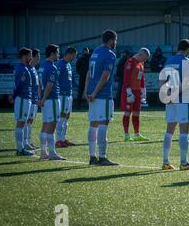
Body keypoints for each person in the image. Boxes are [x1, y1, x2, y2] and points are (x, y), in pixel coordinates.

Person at [161, 39, 189, 171]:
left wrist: (166, 94)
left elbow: (162, 79)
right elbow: (186, 83)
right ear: (187, 50)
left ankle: (165, 162)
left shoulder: (169, 60)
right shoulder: (187, 61)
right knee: (184, 131)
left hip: (170, 100)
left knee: (169, 131)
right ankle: (183, 163)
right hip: (182, 99)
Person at [85, 30, 118, 166]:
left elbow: (88, 73)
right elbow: (105, 76)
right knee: (104, 123)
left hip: (92, 93)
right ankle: (102, 157)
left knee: (93, 124)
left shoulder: (95, 52)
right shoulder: (109, 54)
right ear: (111, 40)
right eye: (115, 40)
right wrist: (95, 92)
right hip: (102, 94)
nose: (116, 43)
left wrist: (88, 92)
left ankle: (92, 157)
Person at [37, 44, 66, 161]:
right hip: (52, 99)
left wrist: (41, 98)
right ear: (53, 53)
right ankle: (52, 153)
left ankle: (44, 152)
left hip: (44, 99)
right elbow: (49, 86)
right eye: (57, 52)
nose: (58, 55)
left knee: (45, 125)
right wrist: (43, 99)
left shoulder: (42, 66)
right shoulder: (52, 67)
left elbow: (39, 84)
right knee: (52, 126)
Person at [121, 48, 151, 142]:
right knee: (127, 112)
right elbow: (126, 78)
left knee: (137, 113)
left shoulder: (141, 64)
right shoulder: (130, 62)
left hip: (138, 92)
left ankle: (137, 134)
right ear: (141, 54)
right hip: (129, 91)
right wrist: (129, 93)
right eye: (144, 58)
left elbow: (142, 78)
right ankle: (126, 135)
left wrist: (143, 92)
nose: (144, 60)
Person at [11, 48, 34, 156]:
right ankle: (20, 150)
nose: (31, 58)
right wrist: (14, 96)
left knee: (23, 123)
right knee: (20, 123)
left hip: (26, 99)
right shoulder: (21, 68)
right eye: (30, 55)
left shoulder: (25, 67)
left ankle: (22, 148)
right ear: (24, 56)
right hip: (22, 99)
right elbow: (17, 86)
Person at [56, 47, 78, 148]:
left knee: (67, 116)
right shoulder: (60, 64)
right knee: (62, 116)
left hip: (68, 94)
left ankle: (63, 139)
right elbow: (56, 80)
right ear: (70, 54)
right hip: (62, 94)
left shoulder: (68, 65)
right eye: (74, 55)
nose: (74, 57)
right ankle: (58, 140)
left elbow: (71, 79)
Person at [24, 48, 42, 151]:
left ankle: (29, 141)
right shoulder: (27, 68)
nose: (39, 58)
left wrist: (39, 98)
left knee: (30, 121)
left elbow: (37, 85)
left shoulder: (34, 69)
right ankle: (25, 142)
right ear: (34, 57)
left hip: (35, 99)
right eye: (37, 56)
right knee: (26, 121)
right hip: (29, 99)